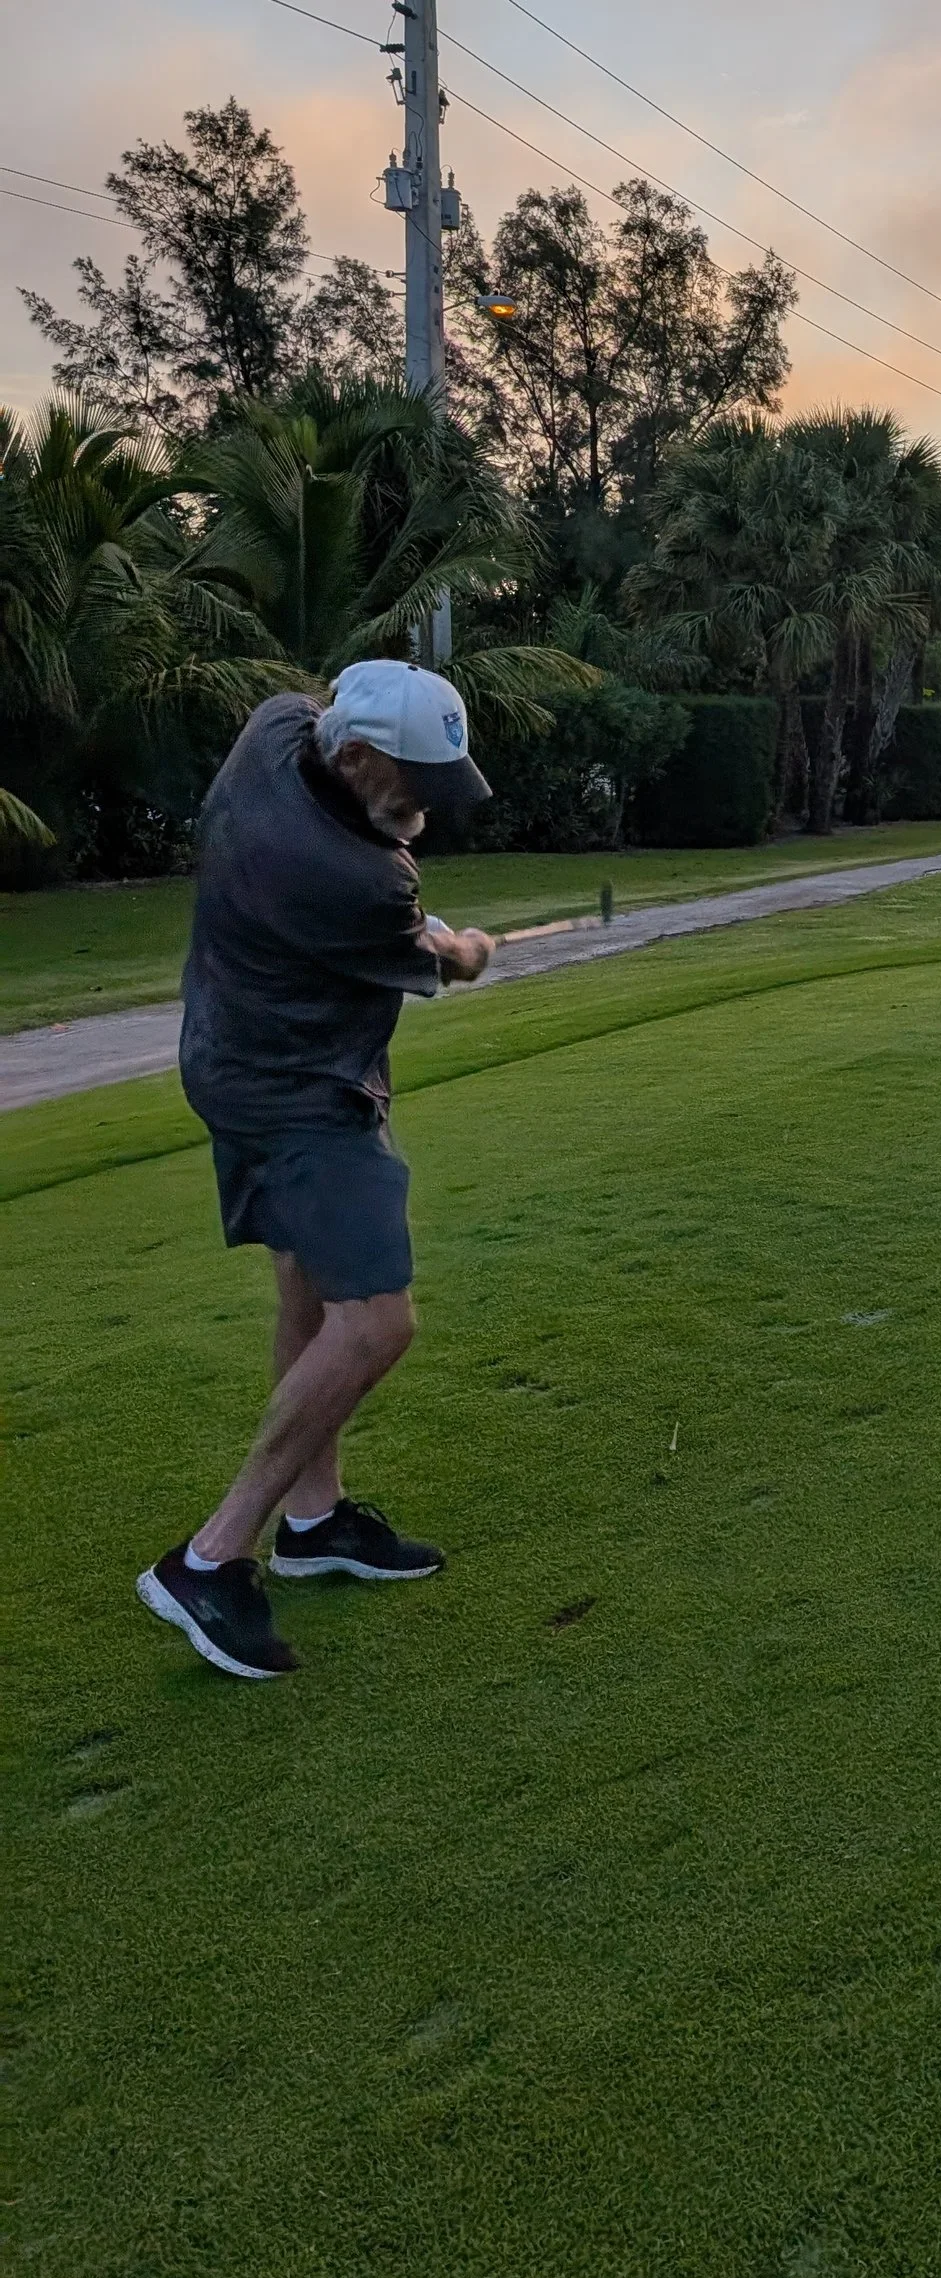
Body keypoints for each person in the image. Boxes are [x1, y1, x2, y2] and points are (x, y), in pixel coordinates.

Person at [138, 659, 498, 1682]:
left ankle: (315, 1518)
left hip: (228, 1054)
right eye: (414, 783)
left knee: (309, 1285)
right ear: (350, 755)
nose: (428, 804)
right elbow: (439, 959)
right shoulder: (357, 880)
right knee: (378, 1319)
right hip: (300, 1094)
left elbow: (314, 699)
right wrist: (473, 945)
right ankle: (211, 1557)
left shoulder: (273, 729)